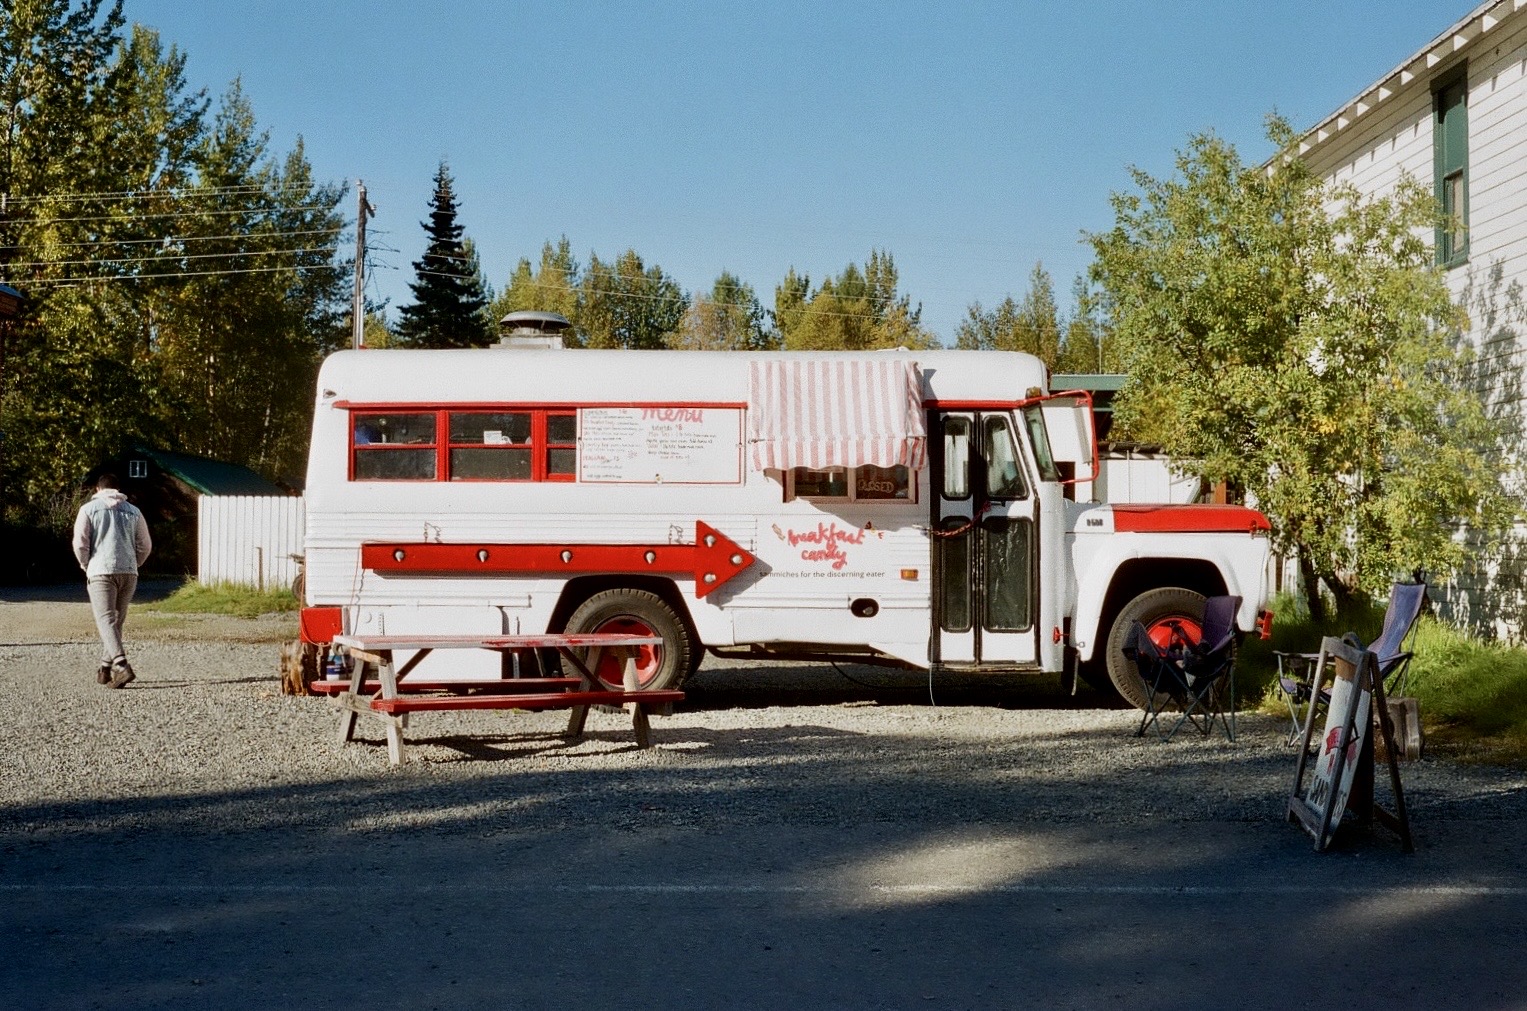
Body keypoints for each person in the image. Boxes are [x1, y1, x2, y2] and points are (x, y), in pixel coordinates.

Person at [72, 473, 152, 689]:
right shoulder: (134, 511)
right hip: (128, 572)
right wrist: (136, 563)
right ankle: (105, 669)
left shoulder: (88, 509)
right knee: (116, 622)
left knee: (105, 620)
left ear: (98, 490)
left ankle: (122, 665)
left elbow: (80, 543)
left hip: (101, 570)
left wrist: (85, 565)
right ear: (118, 489)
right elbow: (145, 545)